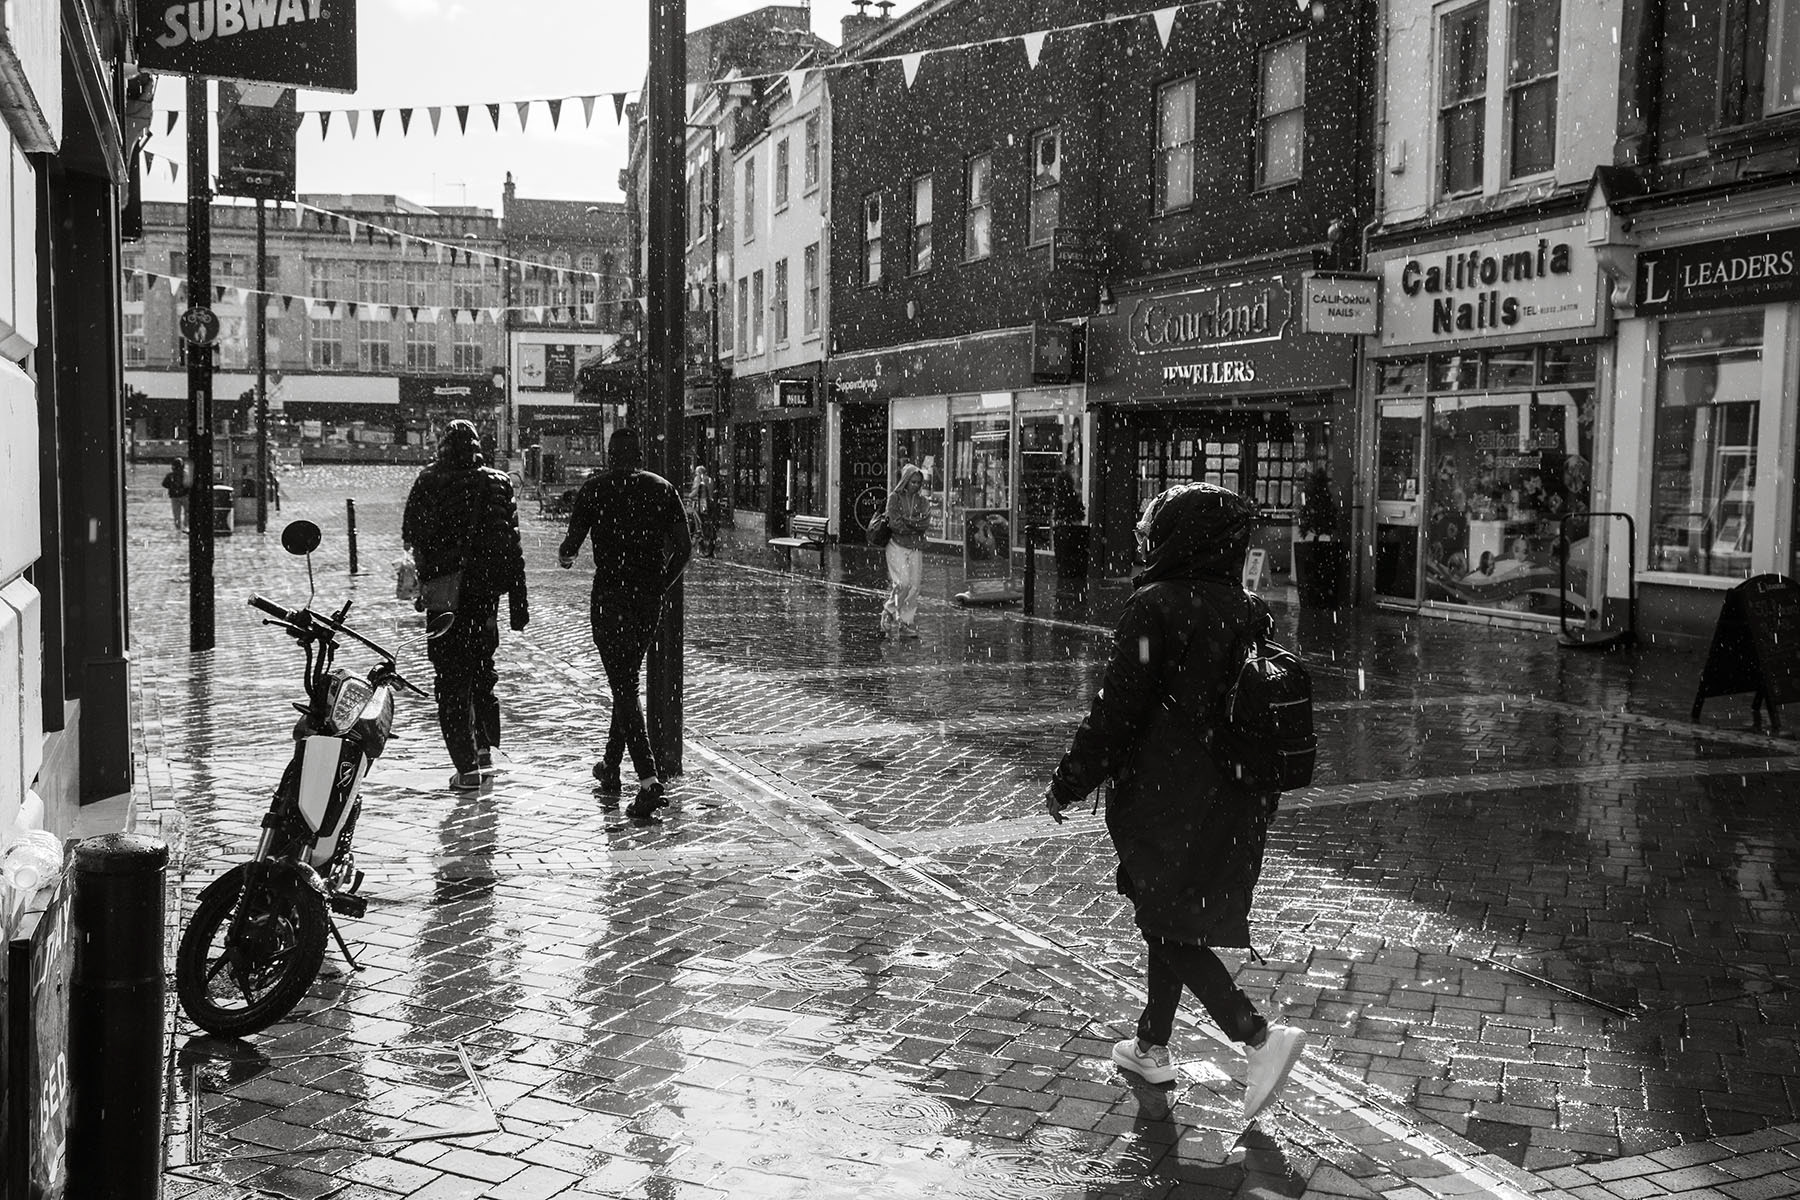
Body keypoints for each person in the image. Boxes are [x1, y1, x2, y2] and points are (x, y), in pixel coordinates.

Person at [1044, 481, 1306, 1123]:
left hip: (1169, 792)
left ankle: (1256, 1036)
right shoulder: (1247, 609)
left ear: (1177, 538)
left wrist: (1071, 779)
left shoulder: (1154, 607)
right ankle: (1151, 1045)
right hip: (1234, 792)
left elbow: (1118, 706)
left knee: (1164, 918)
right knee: (1173, 914)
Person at [559, 427, 692, 818]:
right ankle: (610, 766)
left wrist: (566, 556)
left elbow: (570, 547)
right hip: (647, 602)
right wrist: (659, 585)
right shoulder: (662, 489)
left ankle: (649, 781)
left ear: (609, 455)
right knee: (626, 681)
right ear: (640, 455)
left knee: (624, 685)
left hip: (610, 599)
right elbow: (684, 548)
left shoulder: (594, 490)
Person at [402, 419, 529, 792]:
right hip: (485, 598)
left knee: (450, 679)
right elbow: (513, 548)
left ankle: (467, 768)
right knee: (483, 672)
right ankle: (485, 750)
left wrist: (427, 568)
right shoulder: (499, 482)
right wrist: (518, 604)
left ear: (443, 446)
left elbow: (411, 536)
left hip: (444, 597)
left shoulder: (429, 480)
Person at [881, 463, 930, 640]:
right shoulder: (894, 498)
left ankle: (906, 623)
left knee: (914, 587)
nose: (916, 485)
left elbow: (924, 523)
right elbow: (895, 524)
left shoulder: (923, 501)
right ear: (906, 481)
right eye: (913, 482)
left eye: (919, 482)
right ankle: (889, 611)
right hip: (897, 545)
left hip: (916, 546)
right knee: (903, 583)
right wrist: (913, 524)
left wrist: (908, 522)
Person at [161, 459, 188, 531]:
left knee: (177, 515)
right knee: (186, 513)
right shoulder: (186, 474)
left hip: (176, 497)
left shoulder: (170, 475)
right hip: (183, 496)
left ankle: (179, 529)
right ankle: (185, 527)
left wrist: (172, 486)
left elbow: (164, 484)